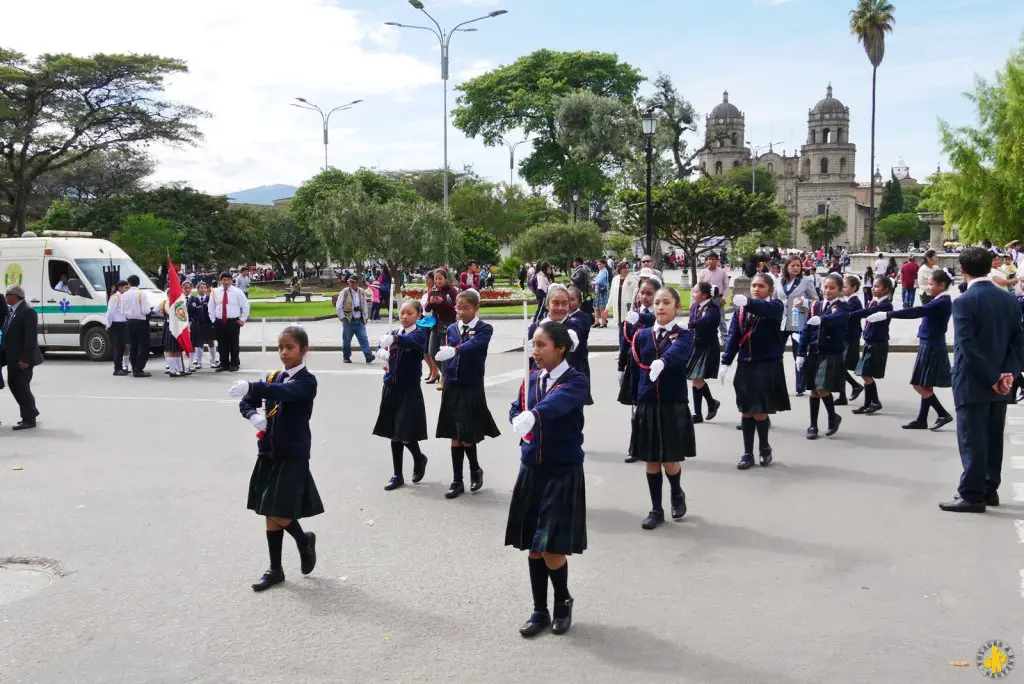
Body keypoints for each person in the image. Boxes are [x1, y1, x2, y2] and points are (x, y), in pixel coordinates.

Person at [507, 320, 589, 638]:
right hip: (532, 469)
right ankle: (539, 610)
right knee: (532, 546)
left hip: (561, 470)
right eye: (533, 344)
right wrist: (517, 417)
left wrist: (534, 414)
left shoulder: (576, 380)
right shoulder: (530, 379)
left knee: (551, 547)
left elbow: (558, 403)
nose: (535, 351)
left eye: (541, 345)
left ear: (560, 348)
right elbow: (517, 407)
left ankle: (562, 602)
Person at [230, 325, 321, 591]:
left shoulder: (306, 381)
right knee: (269, 510)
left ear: (303, 350)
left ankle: (303, 539)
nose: (283, 353)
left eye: (289, 347)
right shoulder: (273, 377)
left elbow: (285, 394)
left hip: (293, 452)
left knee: (277, 509)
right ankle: (276, 569)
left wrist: (254, 386)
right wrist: (254, 416)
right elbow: (247, 400)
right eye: (280, 347)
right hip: (269, 451)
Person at [940, 247, 1024, 513]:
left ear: (962, 270)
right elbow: (1017, 342)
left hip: (973, 380)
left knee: (972, 438)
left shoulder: (964, 301)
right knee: (993, 436)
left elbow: (967, 346)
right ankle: (989, 488)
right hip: (1003, 380)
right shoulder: (1008, 300)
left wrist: (991, 377)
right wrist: (1007, 373)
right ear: (991, 267)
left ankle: (972, 494)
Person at [629, 287, 696, 529]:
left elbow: (680, 353)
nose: (660, 307)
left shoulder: (683, 335)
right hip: (647, 403)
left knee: (669, 458)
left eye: (666, 302)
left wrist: (663, 361)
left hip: (671, 403)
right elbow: (635, 371)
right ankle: (656, 509)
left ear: (676, 307)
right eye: (657, 302)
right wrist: (634, 402)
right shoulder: (643, 335)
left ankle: (676, 491)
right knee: (651, 459)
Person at [434, 289, 501, 499]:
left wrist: (456, 350)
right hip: (452, 385)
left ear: (476, 308)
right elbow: (446, 355)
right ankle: (457, 480)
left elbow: (476, 345)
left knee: (466, 434)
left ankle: (474, 469)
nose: (461, 312)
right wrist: (443, 376)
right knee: (454, 434)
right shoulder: (452, 328)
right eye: (458, 307)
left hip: (471, 386)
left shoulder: (484, 328)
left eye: (466, 308)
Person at [868, 269, 955, 430]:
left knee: (918, 384)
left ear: (942, 285)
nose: (928, 287)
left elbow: (916, 311)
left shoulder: (941, 301)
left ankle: (942, 413)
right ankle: (922, 419)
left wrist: (888, 315)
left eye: (931, 284)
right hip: (930, 342)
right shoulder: (939, 300)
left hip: (932, 344)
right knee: (925, 384)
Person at [720, 274, 790, 470]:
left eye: (761, 286)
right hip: (746, 363)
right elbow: (734, 335)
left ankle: (764, 447)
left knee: (759, 410)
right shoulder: (742, 310)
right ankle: (747, 452)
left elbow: (767, 310)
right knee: (745, 410)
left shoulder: (775, 306)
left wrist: (749, 303)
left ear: (769, 289)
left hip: (766, 364)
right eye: (754, 286)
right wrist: (726, 361)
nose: (756, 289)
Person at [372, 299, 430, 491]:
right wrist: (381, 352)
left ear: (418, 315)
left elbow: (414, 345)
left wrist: (396, 339)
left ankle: (418, 458)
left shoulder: (420, 334)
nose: (404, 317)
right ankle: (397, 474)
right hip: (391, 387)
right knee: (393, 433)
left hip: (409, 389)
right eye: (402, 313)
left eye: (409, 313)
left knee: (403, 432)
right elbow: (384, 348)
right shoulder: (394, 333)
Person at [796, 273, 848, 440]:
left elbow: (836, 318)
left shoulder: (842, 307)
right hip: (814, 352)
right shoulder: (815, 306)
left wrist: (822, 319)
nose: (828, 290)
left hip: (830, 352)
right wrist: (800, 353)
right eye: (825, 287)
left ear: (840, 290)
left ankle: (832, 417)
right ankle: (813, 425)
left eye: (832, 288)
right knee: (813, 390)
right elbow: (806, 330)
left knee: (822, 387)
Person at [619, 279, 657, 464]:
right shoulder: (633, 314)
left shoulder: (659, 314)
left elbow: (653, 321)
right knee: (636, 409)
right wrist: (621, 366)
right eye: (642, 293)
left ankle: (654, 446)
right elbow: (624, 341)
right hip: (634, 365)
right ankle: (634, 447)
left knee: (652, 408)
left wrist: (641, 317)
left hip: (653, 367)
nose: (645, 297)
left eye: (649, 293)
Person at [848, 276, 894, 415]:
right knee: (864, 374)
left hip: (877, 342)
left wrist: (849, 314)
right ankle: (868, 403)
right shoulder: (874, 302)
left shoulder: (886, 305)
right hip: (870, 340)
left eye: (877, 286)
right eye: (873, 286)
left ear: (885, 289)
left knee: (866, 374)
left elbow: (867, 313)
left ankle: (874, 402)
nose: (873, 288)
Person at [777, 255, 818, 397]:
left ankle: (800, 385)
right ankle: (776, 384)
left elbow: (816, 300)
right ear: (786, 266)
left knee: (799, 354)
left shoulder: (806, 281)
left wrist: (804, 301)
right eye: (793, 265)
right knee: (776, 354)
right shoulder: (779, 281)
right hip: (781, 322)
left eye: (798, 266)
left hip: (798, 320)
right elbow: (775, 300)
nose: (795, 268)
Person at [2, 286, 40, 430]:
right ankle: (31, 411)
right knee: (15, 384)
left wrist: (25, 360)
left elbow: (30, 339)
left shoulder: (27, 311)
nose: (5, 297)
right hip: (13, 357)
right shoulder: (14, 311)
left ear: (15, 296)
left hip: (22, 359)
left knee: (21, 387)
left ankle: (28, 419)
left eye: (8, 294)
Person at [686, 282, 722, 424]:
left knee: (696, 377)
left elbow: (705, 320)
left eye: (695, 292)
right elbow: (691, 323)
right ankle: (699, 413)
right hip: (695, 345)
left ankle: (711, 402)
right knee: (695, 378)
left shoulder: (713, 308)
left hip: (707, 346)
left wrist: (689, 325)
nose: (693, 294)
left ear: (704, 295)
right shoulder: (695, 306)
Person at [423, 268, 459, 388]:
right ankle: (445, 374)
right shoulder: (433, 290)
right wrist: (432, 301)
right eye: (436, 279)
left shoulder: (451, 291)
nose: (437, 281)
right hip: (435, 324)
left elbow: (456, 308)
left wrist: (442, 302)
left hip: (447, 324)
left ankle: (444, 379)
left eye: (440, 278)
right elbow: (427, 308)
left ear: (445, 279)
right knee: (432, 351)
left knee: (444, 351)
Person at [209, 272, 249, 372]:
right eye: (224, 280)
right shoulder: (215, 291)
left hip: (233, 321)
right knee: (222, 343)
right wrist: (214, 320)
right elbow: (211, 306)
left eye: (228, 280)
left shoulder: (237, 291)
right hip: (219, 321)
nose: (226, 282)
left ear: (231, 280)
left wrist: (243, 319)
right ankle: (224, 363)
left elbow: (245, 305)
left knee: (234, 343)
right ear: (220, 281)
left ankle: (234, 363)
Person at [838, 275, 864, 406]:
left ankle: (855, 386)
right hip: (846, 337)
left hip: (851, 337)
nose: (842, 289)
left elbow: (846, 318)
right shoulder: (848, 301)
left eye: (845, 286)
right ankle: (842, 395)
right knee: (840, 366)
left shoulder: (854, 302)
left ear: (853, 288)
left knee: (841, 366)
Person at [336, 274, 374, 365]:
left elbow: (364, 305)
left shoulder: (361, 291)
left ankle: (368, 356)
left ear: (357, 283)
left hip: (359, 319)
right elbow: (339, 306)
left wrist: (365, 317)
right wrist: (343, 317)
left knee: (364, 339)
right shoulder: (345, 292)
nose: (351, 284)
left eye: (353, 282)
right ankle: (346, 356)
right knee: (346, 340)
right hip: (349, 320)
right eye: (350, 282)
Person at [123, 275, 154, 378]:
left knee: (134, 346)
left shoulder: (125, 295)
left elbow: (123, 310)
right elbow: (146, 310)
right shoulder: (142, 294)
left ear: (129, 283)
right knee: (144, 346)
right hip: (141, 322)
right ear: (138, 283)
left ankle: (134, 367)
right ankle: (139, 368)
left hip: (130, 322)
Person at [698, 252, 730, 344]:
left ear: (717, 260)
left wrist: (724, 298)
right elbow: (699, 286)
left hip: (718, 299)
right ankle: (708, 337)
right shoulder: (703, 272)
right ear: (707, 261)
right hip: (706, 300)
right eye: (709, 259)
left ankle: (724, 338)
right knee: (706, 318)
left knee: (721, 319)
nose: (711, 261)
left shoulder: (722, 272)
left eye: (713, 259)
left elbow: (726, 286)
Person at [188, 281, 215, 370]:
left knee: (210, 341)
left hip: (208, 323)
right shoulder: (195, 299)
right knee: (200, 343)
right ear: (197, 289)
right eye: (201, 288)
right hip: (198, 324)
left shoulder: (210, 298)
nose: (203, 289)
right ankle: (199, 362)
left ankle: (213, 360)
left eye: (204, 288)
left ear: (207, 289)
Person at [106, 280, 130, 376]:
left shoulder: (123, 297)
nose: (127, 289)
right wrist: (108, 324)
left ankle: (120, 367)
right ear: (120, 288)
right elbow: (110, 312)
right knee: (118, 347)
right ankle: (117, 369)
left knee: (123, 346)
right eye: (125, 287)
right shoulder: (115, 297)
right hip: (116, 324)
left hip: (123, 323)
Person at [592, 260, 610, 328]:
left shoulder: (603, 271)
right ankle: (597, 322)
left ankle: (603, 322)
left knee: (602, 308)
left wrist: (593, 282)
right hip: (598, 292)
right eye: (598, 264)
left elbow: (599, 281)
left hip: (601, 292)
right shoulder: (601, 271)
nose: (598, 265)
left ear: (604, 264)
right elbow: (596, 279)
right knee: (596, 307)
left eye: (600, 264)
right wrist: (594, 281)